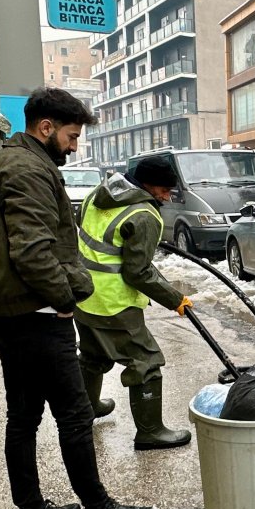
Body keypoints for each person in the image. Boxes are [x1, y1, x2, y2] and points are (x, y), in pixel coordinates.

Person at [0, 87, 159, 509]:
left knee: (24, 416)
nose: (74, 146)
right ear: (46, 127)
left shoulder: (4, 164)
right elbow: (33, 252)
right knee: (74, 415)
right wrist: (65, 298)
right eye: (71, 136)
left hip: (10, 313)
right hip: (37, 314)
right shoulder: (28, 170)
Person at [74, 156, 193, 449]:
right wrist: (174, 299)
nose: (167, 197)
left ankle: (87, 409)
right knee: (146, 361)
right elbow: (137, 271)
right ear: (149, 185)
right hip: (113, 303)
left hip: (81, 293)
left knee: (93, 354)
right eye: (164, 190)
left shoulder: (99, 193)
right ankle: (150, 432)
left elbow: (86, 228)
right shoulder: (144, 215)